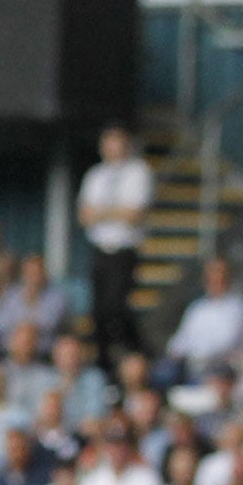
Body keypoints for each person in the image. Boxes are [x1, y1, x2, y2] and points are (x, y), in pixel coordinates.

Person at [76, 124, 151, 366]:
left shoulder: (139, 172)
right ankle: (104, 360)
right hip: (100, 249)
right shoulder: (95, 175)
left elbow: (134, 214)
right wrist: (115, 211)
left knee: (116, 306)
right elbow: (84, 216)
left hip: (124, 250)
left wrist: (102, 212)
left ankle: (137, 349)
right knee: (99, 311)